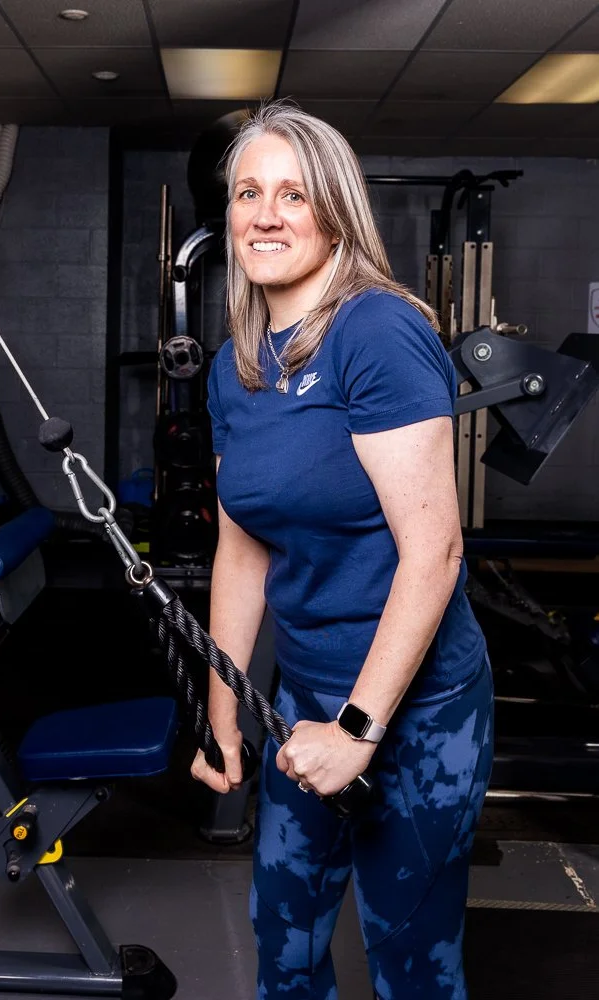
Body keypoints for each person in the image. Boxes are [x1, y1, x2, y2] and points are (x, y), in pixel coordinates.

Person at [191, 101, 493, 1000]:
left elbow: (435, 552)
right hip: (303, 698)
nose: (266, 214)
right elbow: (241, 550)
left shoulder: (376, 331)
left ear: (334, 213)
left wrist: (359, 730)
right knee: (283, 945)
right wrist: (221, 711)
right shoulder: (236, 364)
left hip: (418, 709)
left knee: (412, 966)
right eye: (248, 193)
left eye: (293, 194)